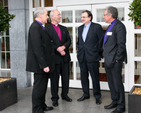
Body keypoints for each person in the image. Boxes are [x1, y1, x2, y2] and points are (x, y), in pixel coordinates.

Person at [26, 7, 55, 113]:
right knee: (39, 88)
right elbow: (37, 48)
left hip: (43, 64)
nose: (48, 17)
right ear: (40, 15)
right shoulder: (35, 27)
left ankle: (42, 105)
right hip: (39, 65)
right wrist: (44, 65)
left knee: (43, 87)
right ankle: (37, 109)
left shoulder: (40, 27)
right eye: (47, 15)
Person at [100, 6, 127, 113]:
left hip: (115, 61)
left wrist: (117, 60)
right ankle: (114, 101)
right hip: (108, 60)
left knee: (117, 83)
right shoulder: (111, 26)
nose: (103, 17)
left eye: (104, 14)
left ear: (110, 15)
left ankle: (121, 106)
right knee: (111, 83)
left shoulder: (119, 26)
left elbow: (121, 45)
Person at [45, 9, 72, 107]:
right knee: (54, 80)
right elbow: (47, 44)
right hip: (54, 59)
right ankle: (55, 98)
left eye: (60, 15)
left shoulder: (64, 28)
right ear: (52, 17)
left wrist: (64, 47)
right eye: (58, 15)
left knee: (66, 78)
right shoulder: (46, 29)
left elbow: (69, 41)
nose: (60, 16)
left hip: (65, 58)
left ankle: (65, 95)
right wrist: (58, 49)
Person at [76, 10, 103, 104]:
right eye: (81, 17)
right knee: (83, 77)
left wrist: (97, 53)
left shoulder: (97, 27)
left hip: (93, 56)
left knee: (95, 77)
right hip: (82, 57)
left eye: (84, 17)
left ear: (89, 17)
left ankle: (97, 96)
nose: (82, 19)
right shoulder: (79, 28)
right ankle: (85, 94)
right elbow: (79, 41)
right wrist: (79, 50)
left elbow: (101, 42)